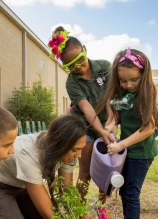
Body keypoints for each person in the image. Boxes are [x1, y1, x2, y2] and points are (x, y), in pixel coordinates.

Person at [0, 115, 111, 219]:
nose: (79, 155)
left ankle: (14, 211)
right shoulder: (28, 153)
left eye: (81, 149)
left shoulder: (64, 151)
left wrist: (82, 217)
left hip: (22, 186)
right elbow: (48, 215)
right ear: (60, 146)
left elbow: (66, 190)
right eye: (75, 150)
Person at [95, 48, 158, 219]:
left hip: (142, 153)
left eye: (134, 80)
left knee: (131, 192)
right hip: (130, 151)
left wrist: (122, 144)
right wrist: (111, 125)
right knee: (125, 191)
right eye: (123, 81)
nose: (128, 85)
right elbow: (114, 113)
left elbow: (149, 127)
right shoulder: (123, 94)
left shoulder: (146, 94)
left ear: (143, 75)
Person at [48, 26, 113, 202]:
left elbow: (109, 98)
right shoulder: (71, 83)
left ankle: (100, 209)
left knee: (107, 170)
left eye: (79, 60)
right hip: (85, 128)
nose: (78, 67)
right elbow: (87, 109)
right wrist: (101, 132)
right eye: (70, 66)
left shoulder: (105, 67)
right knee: (86, 173)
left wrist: (110, 125)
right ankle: (79, 210)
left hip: (107, 125)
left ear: (84, 49)